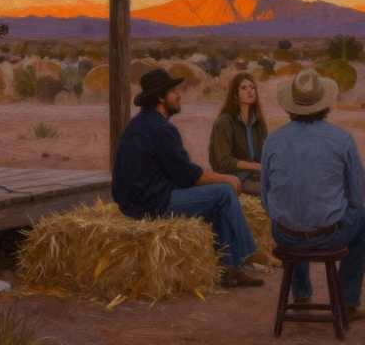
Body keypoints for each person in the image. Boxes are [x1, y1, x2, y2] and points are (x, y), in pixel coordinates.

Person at [111, 68, 264, 288]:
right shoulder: (161, 129)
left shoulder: (139, 124)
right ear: (161, 98)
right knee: (224, 192)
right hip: (153, 205)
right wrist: (226, 178)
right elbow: (187, 176)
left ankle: (229, 267)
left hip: (134, 203)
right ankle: (246, 255)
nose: (178, 94)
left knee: (217, 197)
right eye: (173, 90)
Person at [261, 69, 365, 323]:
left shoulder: (273, 140)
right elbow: (358, 197)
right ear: (324, 103)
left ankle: (301, 294)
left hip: (285, 236)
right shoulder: (341, 139)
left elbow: (267, 199)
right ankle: (347, 301)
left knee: (290, 212)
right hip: (329, 236)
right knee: (364, 217)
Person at [209, 73, 268, 196]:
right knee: (270, 190)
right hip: (234, 177)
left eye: (252, 87)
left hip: (254, 174)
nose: (250, 91)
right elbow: (224, 161)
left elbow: (264, 152)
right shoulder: (225, 122)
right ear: (235, 94)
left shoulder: (257, 122)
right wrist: (255, 166)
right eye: (244, 88)